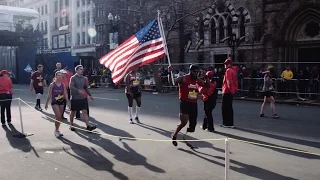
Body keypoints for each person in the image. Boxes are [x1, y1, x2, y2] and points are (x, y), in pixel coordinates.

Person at [168, 64, 209, 146]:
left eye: (197, 72)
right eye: (194, 72)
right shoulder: (184, 78)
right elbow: (172, 82)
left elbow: (207, 85)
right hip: (185, 103)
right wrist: (169, 73)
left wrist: (206, 77)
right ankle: (175, 134)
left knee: (192, 127)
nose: (196, 73)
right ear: (190, 71)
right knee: (183, 122)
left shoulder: (197, 80)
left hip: (193, 104)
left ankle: (185, 134)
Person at [69, 65, 96, 131]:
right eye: (80, 69)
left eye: (82, 69)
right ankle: (71, 124)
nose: (82, 70)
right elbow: (70, 86)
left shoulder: (83, 78)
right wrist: (77, 90)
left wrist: (90, 95)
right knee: (73, 112)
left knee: (84, 111)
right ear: (77, 70)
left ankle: (88, 126)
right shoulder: (73, 78)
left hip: (82, 98)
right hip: (75, 98)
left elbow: (85, 87)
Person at [45, 71, 70, 137]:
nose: (60, 77)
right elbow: (49, 94)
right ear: (55, 76)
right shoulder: (52, 84)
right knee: (58, 116)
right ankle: (56, 130)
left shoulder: (63, 85)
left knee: (60, 118)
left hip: (61, 101)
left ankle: (57, 129)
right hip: (54, 102)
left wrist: (67, 102)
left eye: (61, 76)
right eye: (58, 75)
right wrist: (46, 103)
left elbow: (65, 94)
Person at [221, 59, 238, 128]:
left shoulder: (228, 71)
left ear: (229, 64)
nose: (225, 65)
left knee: (225, 108)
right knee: (229, 108)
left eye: (226, 64)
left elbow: (229, 81)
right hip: (230, 91)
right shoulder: (233, 71)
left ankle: (226, 123)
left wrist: (230, 90)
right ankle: (230, 123)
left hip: (227, 91)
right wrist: (234, 90)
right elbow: (234, 81)